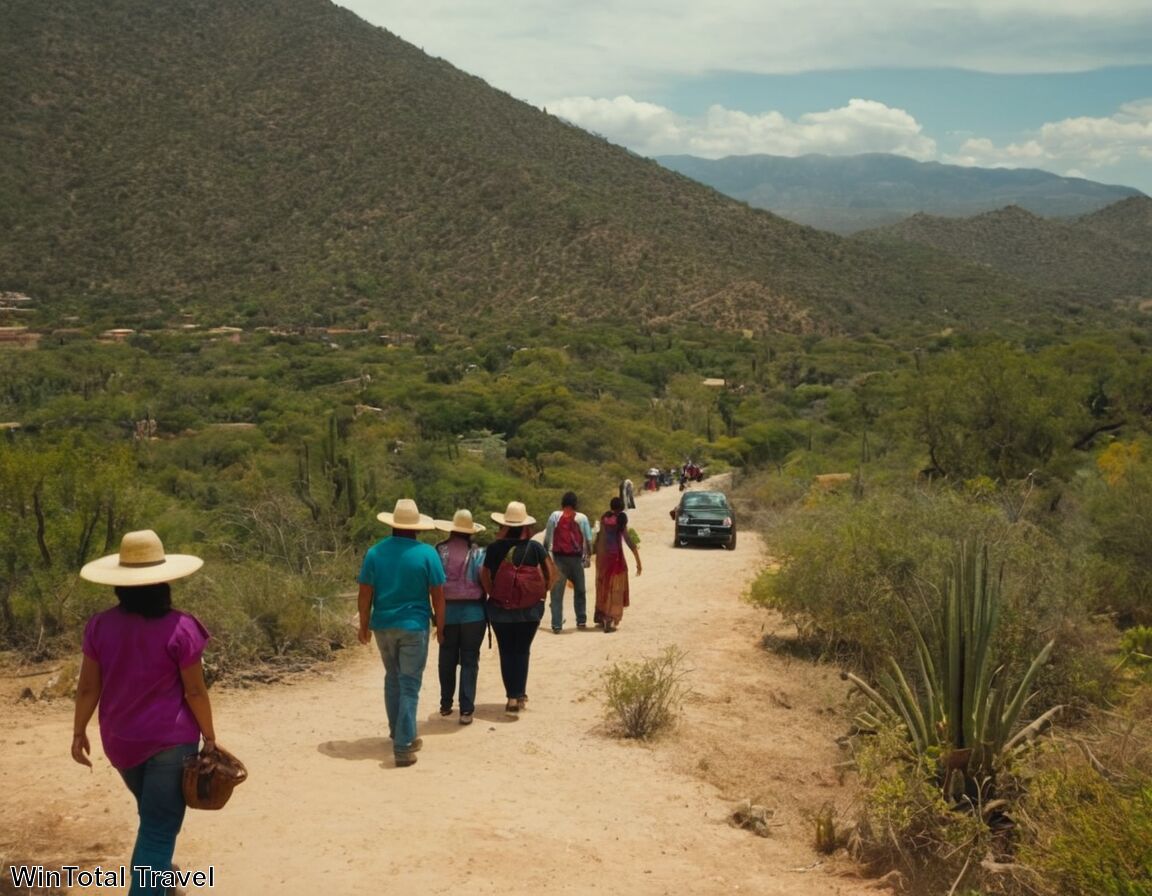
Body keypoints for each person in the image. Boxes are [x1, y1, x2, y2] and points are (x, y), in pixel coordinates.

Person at [72, 529, 216, 896]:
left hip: (120, 741)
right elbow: (195, 690)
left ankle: (161, 884)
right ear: (164, 580)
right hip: (171, 741)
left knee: (151, 819)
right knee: (158, 826)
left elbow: (89, 686)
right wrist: (211, 737)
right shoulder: (182, 627)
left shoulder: (99, 626)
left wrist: (78, 732)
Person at [357, 498, 446, 767]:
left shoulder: (375, 552)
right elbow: (438, 596)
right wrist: (441, 627)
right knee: (409, 684)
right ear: (417, 528)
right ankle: (404, 745)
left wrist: (363, 625)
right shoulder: (428, 554)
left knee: (393, 679)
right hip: (414, 626)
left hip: (383, 625)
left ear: (392, 526)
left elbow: (365, 594)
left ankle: (399, 731)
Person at [480, 501, 556, 716]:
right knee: (522, 651)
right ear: (525, 526)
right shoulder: (535, 547)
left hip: (499, 611)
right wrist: (541, 594)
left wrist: (493, 594)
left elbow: (484, 576)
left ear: (505, 525)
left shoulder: (494, 548)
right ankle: (519, 694)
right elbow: (552, 574)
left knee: (506, 651)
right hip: (530, 612)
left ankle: (511, 697)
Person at [432, 508, 487, 725]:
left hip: (447, 612)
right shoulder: (479, 553)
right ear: (470, 531)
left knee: (446, 656)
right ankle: (466, 709)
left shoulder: (439, 550)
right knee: (470, 660)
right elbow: (484, 579)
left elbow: (434, 584)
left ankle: (446, 703)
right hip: (474, 613)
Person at [542, 491, 594, 633]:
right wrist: (588, 556)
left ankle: (557, 624)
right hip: (576, 560)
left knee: (557, 593)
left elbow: (548, 538)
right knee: (580, 590)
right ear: (576, 504)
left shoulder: (555, 516)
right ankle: (581, 620)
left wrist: (545, 555)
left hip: (558, 559)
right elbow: (588, 540)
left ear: (562, 504)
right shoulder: (582, 518)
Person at [593, 497, 642, 632]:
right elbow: (628, 540)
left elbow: (598, 538)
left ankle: (601, 616)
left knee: (603, 585)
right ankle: (609, 619)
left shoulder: (604, 518)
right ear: (621, 508)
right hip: (615, 558)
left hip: (603, 559)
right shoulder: (620, 520)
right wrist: (638, 561)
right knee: (614, 588)